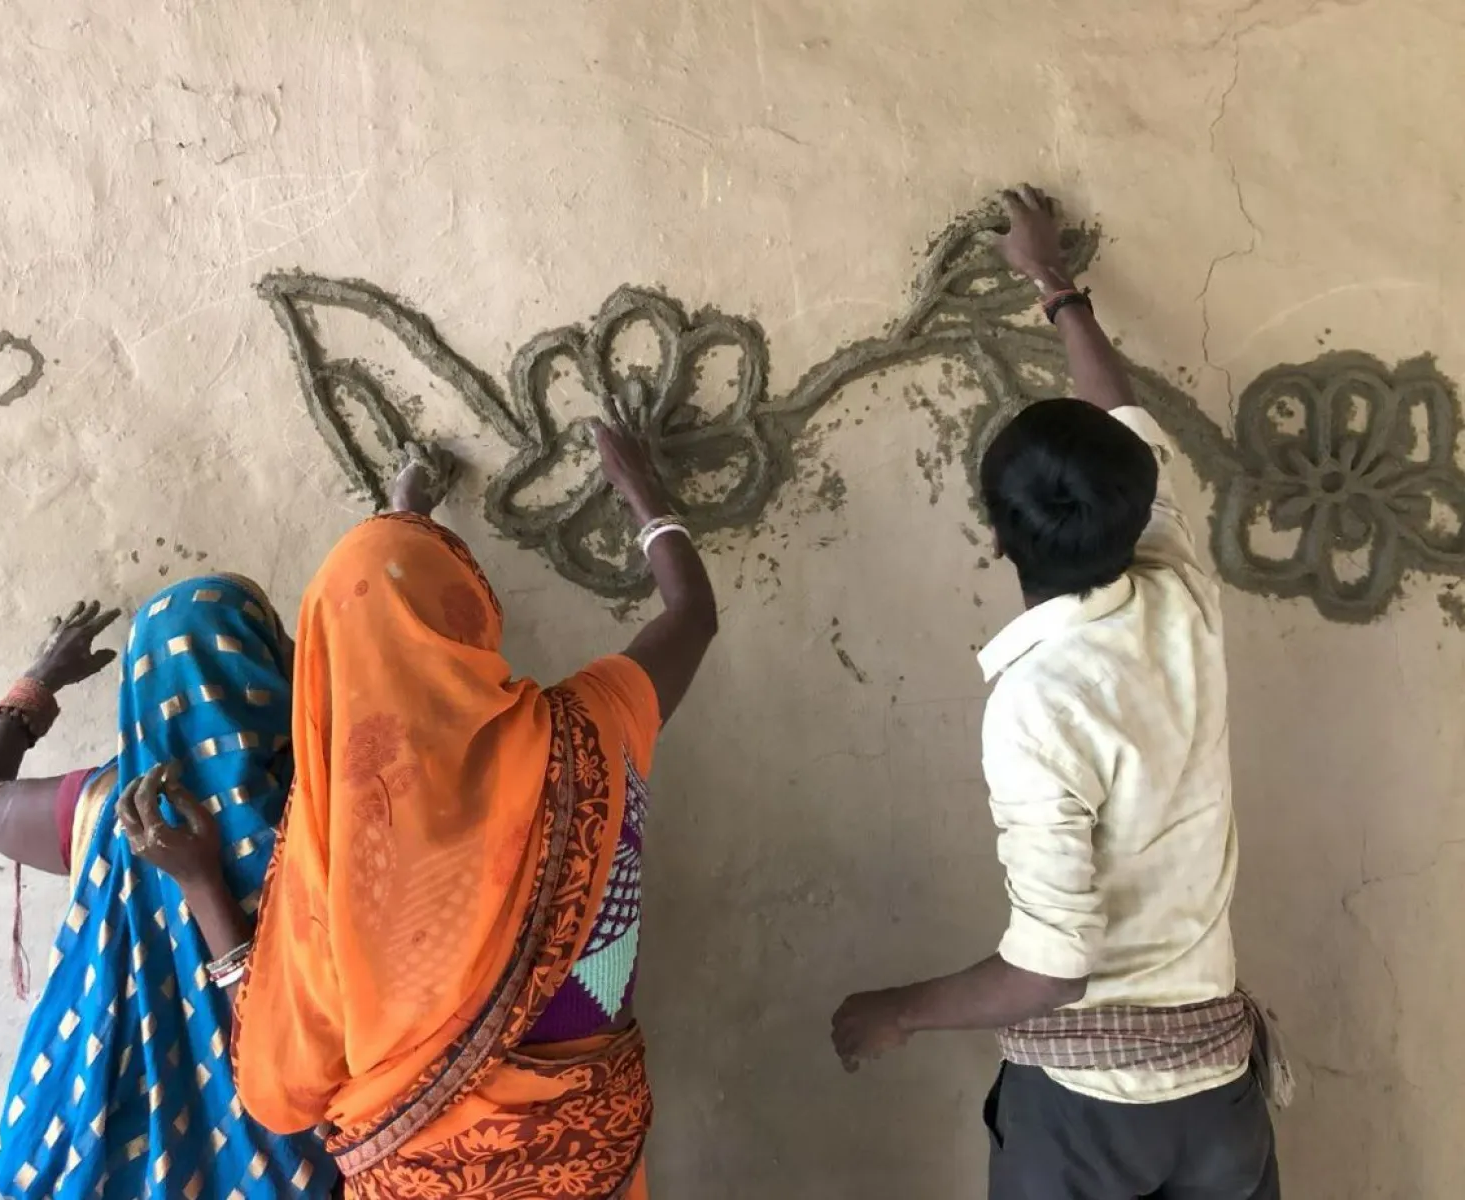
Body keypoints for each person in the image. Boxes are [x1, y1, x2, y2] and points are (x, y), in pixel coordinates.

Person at [830, 186, 1283, 1198]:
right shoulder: (1181, 596)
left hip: (1090, 1117)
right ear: (1136, 505)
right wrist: (1053, 285)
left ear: (994, 535)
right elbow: (1119, 414)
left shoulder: (1036, 703)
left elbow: (1051, 969)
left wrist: (896, 1010)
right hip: (1216, 1096)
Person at [228, 419, 718, 1198]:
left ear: (325, 666)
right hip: (591, 1165)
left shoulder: (334, 852)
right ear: (468, 617)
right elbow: (693, 615)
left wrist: (403, 507)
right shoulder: (583, 734)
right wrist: (643, 496)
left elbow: (279, 1092)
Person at [0, 577, 338, 1198]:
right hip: (293, 1165)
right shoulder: (332, 810)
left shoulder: (109, 807)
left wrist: (40, 681)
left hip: (106, 1164)